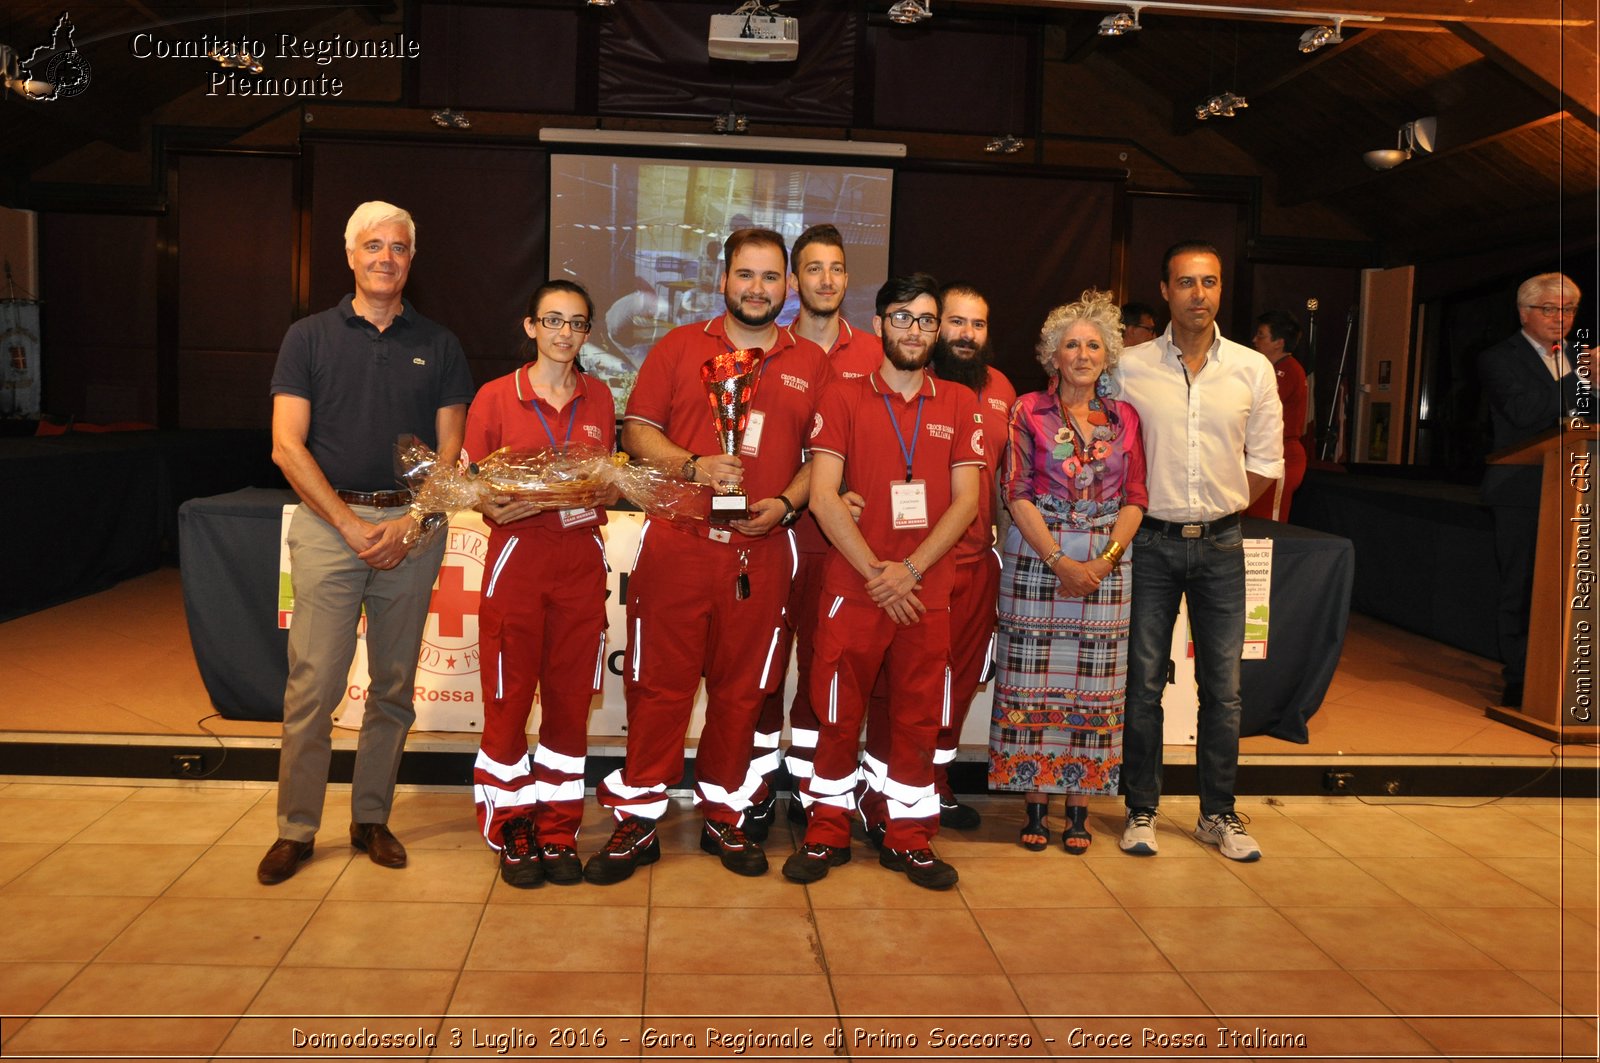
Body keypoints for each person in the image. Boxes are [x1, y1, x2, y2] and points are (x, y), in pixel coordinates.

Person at [586, 228, 830, 884]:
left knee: (741, 694)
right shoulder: (678, 346)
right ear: (723, 281)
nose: (757, 288)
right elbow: (637, 432)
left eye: (770, 277)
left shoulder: (812, 362)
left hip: (762, 552)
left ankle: (725, 811)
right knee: (657, 688)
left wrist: (784, 504)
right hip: (679, 546)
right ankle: (638, 819)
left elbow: (822, 461)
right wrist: (692, 464)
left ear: (787, 287)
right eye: (745, 275)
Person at [257, 201, 475, 886]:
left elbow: (450, 450)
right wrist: (350, 526)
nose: (387, 257)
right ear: (350, 255)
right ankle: (296, 828)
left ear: (413, 259)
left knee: (392, 687)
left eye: (400, 247)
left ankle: (370, 818)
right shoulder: (308, 338)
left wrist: (411, 525)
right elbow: (285, 446)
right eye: (373, 245)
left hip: (414, 527)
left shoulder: (440, 343)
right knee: (313, 686)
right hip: (327, 527)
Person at [783, 273, 982, 891]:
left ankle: (909, 836)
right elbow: (821, 494)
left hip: (925, 591)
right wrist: (878, 573)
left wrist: (911, 572)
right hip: (858, 587)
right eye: (902, 317)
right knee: (837, 714)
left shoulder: (959, 403)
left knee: (918, 718)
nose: (915, 330)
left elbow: (967, 501)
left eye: (927, 320)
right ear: (879, 326)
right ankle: (827, 829)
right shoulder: (842, 396)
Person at [1116, 241, 1282, 863]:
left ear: (1221, 289)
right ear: (1164, 290)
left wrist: (1218, 504)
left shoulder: (1252, 369)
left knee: (1226, 690)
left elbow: (1266, 464)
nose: (1198, 294)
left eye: (1209, 282)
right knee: (1142, 688)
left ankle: (1218, 815)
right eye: (1185, 282)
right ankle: (1141, 811)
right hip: (1148, 544)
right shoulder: (1127, 366)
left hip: (1222, 544)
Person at [466, 281, 616, 889]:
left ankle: (557, 828)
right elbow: (470, 480)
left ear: (586, 334)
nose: (564, 334)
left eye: (576, 324)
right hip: (517, 564)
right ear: (530, 326)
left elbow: (608, 476)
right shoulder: (496, 396)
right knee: (506, 703)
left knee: (569, 704)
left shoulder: (602, 396)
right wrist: (489, 504)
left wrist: (608, 490)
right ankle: (510, 826)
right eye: (552, 321)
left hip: (580, 564)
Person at [989, 290, 1146, 854]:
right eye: (1070, 345)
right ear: (1052, 355)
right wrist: (1059, 560)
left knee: (1096, 693)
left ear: (1109, 355)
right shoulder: (1026, 410)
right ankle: (1036, 805)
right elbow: (1016, 491)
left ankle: (1079, 809)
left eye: (1093, 345)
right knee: (1031, 684)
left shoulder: (1125, 417)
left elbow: (1136, 497)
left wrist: (1101, 562)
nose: (1082, 354)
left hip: (1107, 566)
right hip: (1038, 558)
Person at [859, 282, 1014, 836]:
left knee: (957, 682)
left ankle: (934, 785)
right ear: (931, 327)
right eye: (954, 322)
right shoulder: (907, 383)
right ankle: (878, 791)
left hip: (975, 564)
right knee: (897, 687)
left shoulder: (1000, 390)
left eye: (978, 325)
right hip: (909, 567)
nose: (965, 335)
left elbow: (1002, 481)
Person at [745, 223, 880, 838]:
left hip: (848, 541)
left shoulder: (876, 353)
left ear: (847, 279)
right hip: (778, 532)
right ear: (795, 282)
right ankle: (754, 784)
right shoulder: (770, 349)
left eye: (837, 268)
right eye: (814, 269)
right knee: (764, 665)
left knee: (828, 666)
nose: (826, 279)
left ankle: (808, 785)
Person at [1480, 272, 1587, 708]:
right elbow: (1523, 412)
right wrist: (1579, 377)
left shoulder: (1583, 359)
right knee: (1522, 589)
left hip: (1580, 488)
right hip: (1522, 488)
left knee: (1577, 587)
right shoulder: (1497, 357)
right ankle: (1522, 678)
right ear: (1524, 312)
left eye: (1568, 310)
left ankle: (1571, 676)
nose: (1560, 318)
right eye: (1550, 309)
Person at [1244, 310, 1309, 523]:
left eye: (1261, 335)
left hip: (1281, 455)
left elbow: (1256, 411)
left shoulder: (1288, 371)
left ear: (1278, 343)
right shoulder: (1271, 370)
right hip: (1262, 454)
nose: (1254, 340)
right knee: (1251, 521)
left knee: (1268, 525)